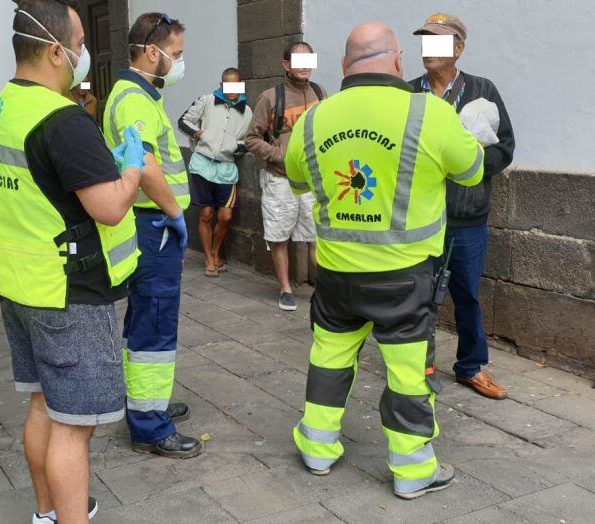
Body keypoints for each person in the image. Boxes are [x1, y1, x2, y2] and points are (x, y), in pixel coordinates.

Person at [286, 22, 485, 499]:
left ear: (342, 65)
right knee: (406, 373)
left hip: (335, 273)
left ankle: (317, 448)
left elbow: (296, 180)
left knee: (329, 358)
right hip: (403, 278)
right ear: (397, 60)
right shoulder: (430, 113)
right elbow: (472, 171)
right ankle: (413, 472)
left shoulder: (314, 117)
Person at [0, 1, 146, 522]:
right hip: (69, 294)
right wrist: (133, 168)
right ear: (55, 51)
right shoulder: (63, 120)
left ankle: (47, 512)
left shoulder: (2, 106)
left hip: (21, 287)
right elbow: (111, 208)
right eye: (77, 44)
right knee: (75, 425)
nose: (82, 53)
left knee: (41, 407)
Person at [101, 12, 202, 459]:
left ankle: (150, 404)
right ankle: (148, 426)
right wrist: (175, 211)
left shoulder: (141, 94)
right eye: (176, 54)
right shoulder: (134, 100)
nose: (180, 63)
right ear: (151, 51)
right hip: (153, 226)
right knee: (154, 325)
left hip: (153, 224)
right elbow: (143, 165)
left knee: (150, 320)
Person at [409, 13, 516, 400]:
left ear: (458, 48)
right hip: (421, 216)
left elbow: (504, 146)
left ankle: (471, 367)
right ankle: (419, 367)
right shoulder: (409, 94)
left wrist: (469, 170)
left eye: (438, 42)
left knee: (467, 294)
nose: (428, 49)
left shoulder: (481, 89)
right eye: (424, 41)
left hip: (468, 217)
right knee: (418, 295)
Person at [245, 41, 326, 311]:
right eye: (298, 60)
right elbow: (251, 140)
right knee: (279, 236)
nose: (304, 66)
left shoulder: (320, 93)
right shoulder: (269, 98)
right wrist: (281, 155)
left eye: (308, 60)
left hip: (313, 181)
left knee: (316, 235)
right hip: (280, 180)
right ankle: (286, 288)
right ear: (286, 64)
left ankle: (325, 288)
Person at [178, 67, 253, 277]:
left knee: (226, 216)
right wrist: (199, 133)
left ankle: (215, 250)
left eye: (235, 85)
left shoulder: (247, 112)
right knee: (206, 214)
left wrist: (234, 146)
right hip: (202, 164)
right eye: (226, 85)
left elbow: (250, 140)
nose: (231, 90)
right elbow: (183, 121)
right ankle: (210, 259)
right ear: (221, 85)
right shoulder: (207, 100)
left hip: (226, 168)